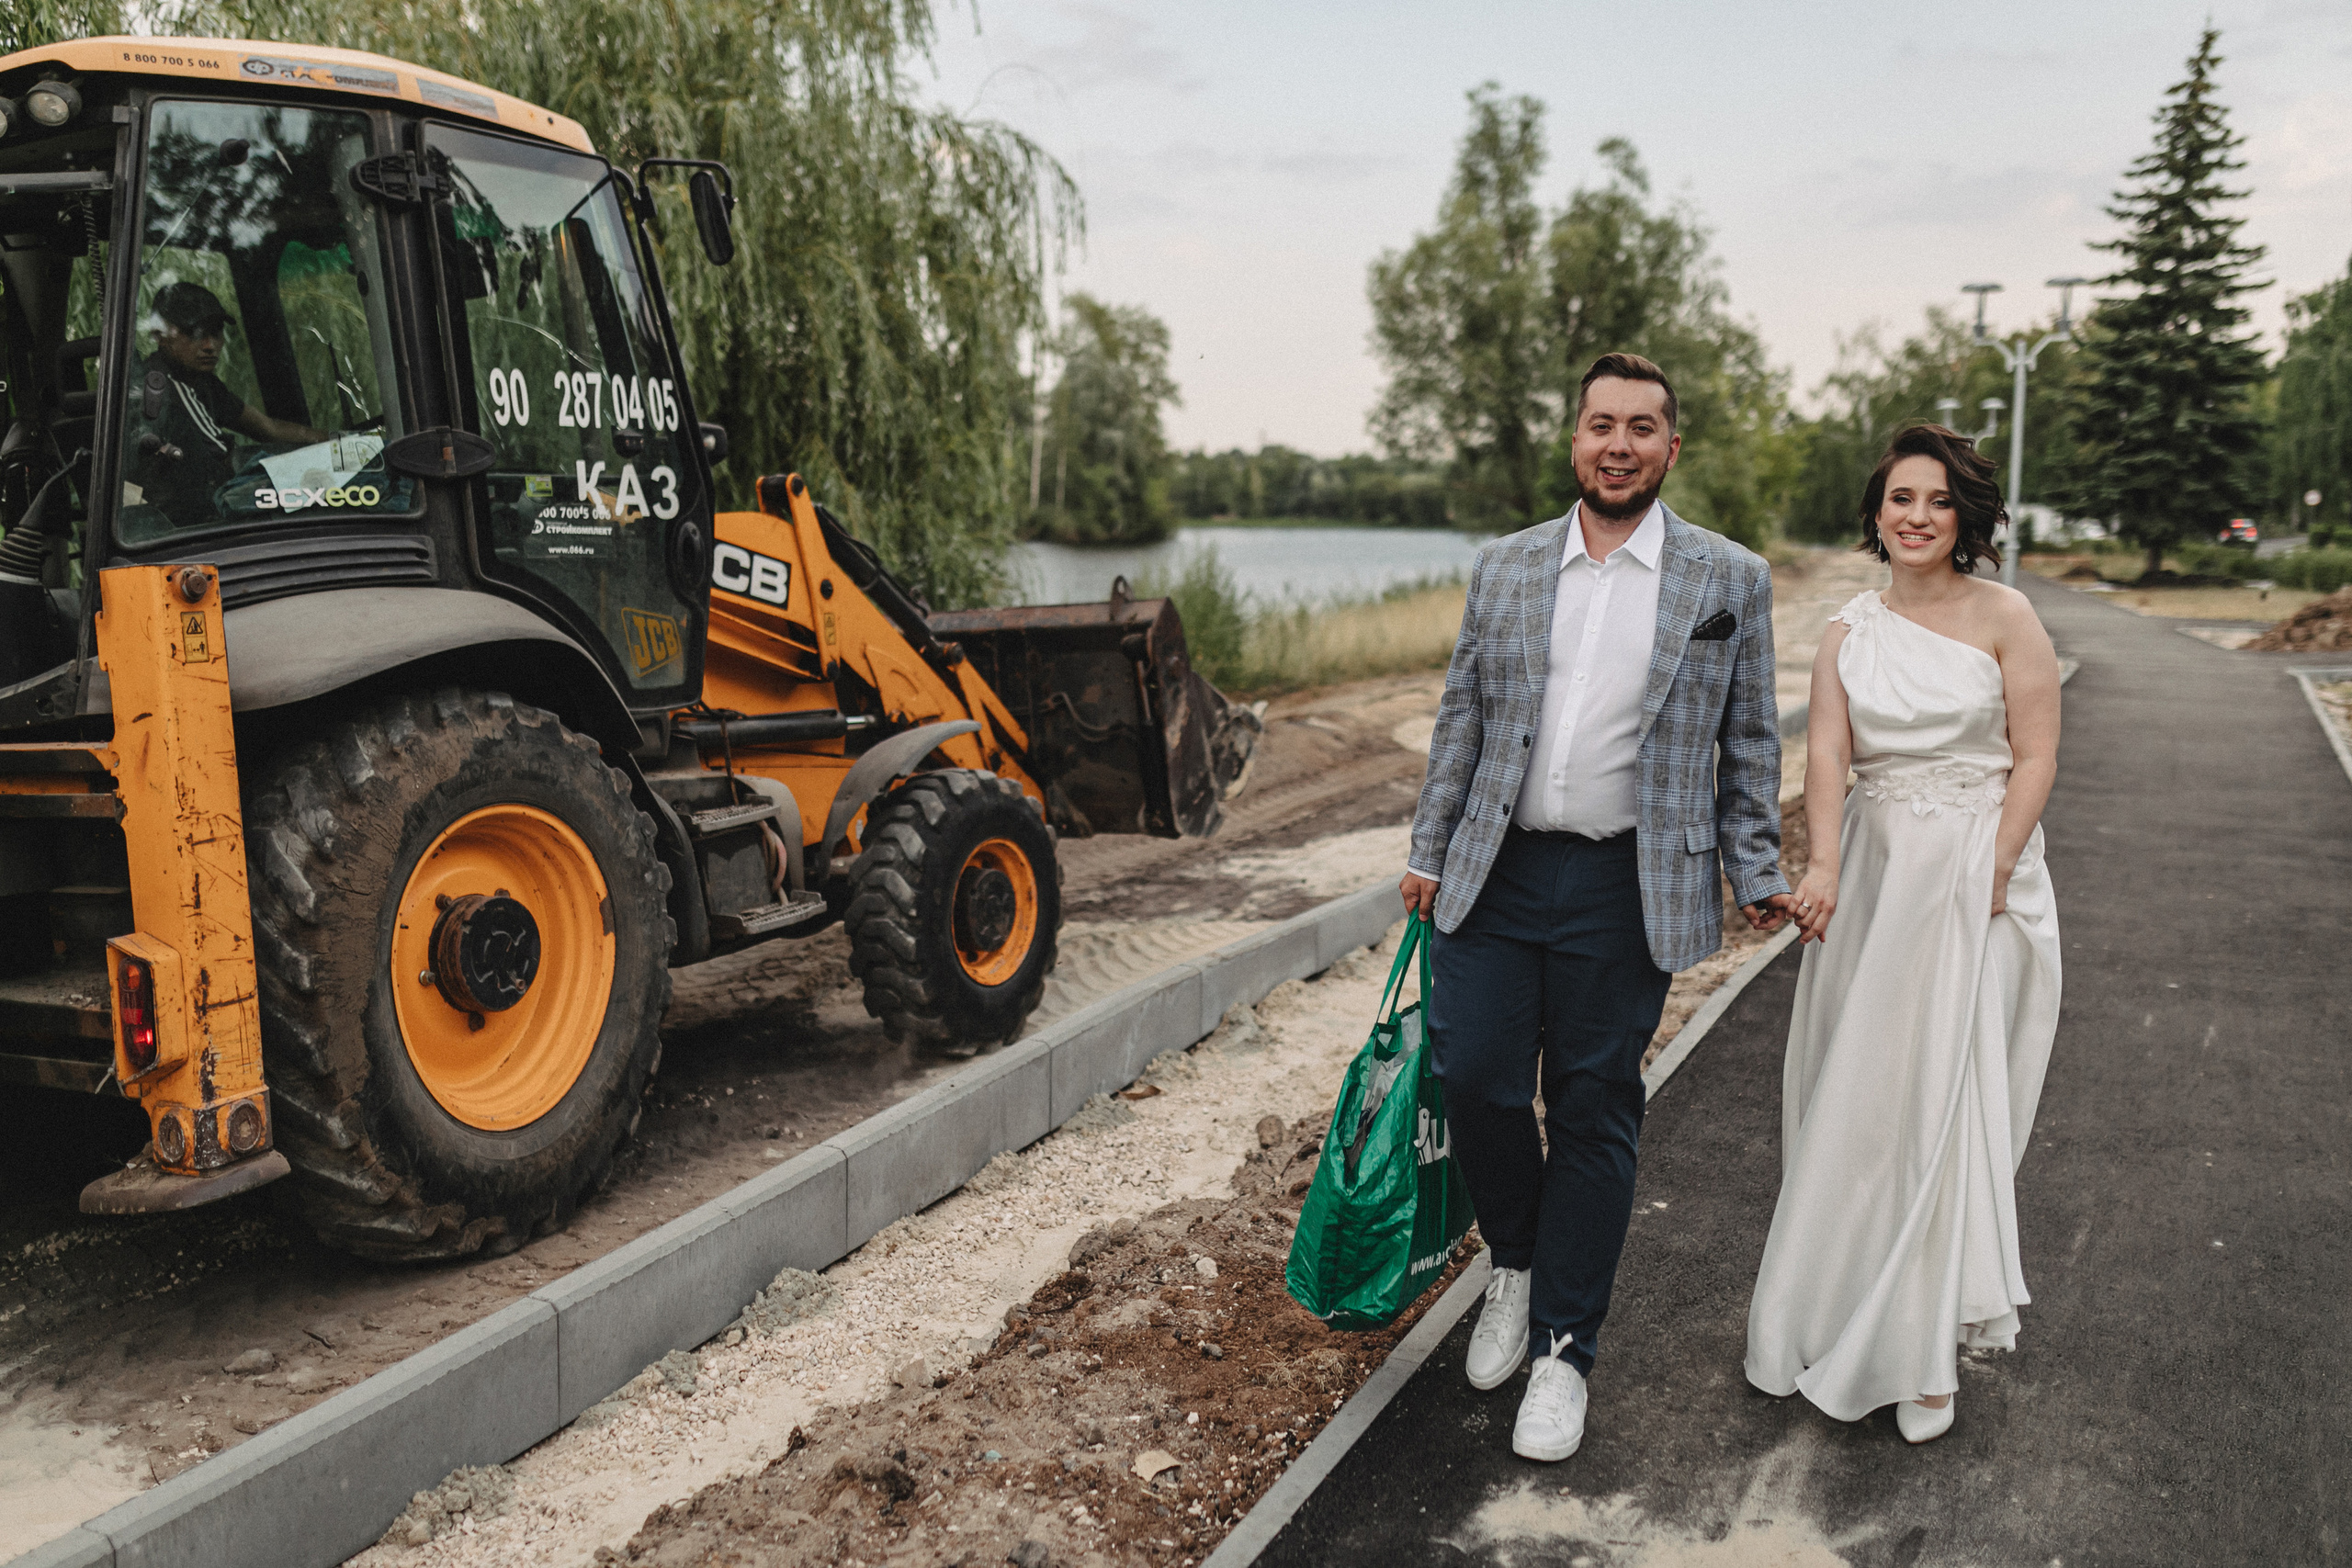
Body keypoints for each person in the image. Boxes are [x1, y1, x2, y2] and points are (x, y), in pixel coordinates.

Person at [1401, 352, 1794, 1462]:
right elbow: (1463, 716)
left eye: (1640, 428)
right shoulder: (1507, 566)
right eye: (1599, 425)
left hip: (1629, 884)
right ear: (1574, 439)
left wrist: (1756, 867)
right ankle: (1517, 1263)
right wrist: (1428, 847)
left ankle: (1564, 1351)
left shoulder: (1729, 578)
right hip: (1496, 869)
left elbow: (1749, 743)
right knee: (1472, 1075)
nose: (1617, 445)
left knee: (1591, 1107)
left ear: (1671, 447)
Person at [1744, 423, 2063, 1445]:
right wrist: (1823, 866)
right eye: (1900, 499)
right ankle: (1826, 1308)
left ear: (1966, 516)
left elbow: (2036, 755)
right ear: (1876, 515)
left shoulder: (2008, 616)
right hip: (1876, 879)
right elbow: (1827, 759)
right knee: (1860, 1097)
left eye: (1938, 500)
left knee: (1944, 1100)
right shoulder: (1849, 631)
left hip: (1976, 872)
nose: (1918, 516)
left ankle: (1923, 1350)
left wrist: (1994, 870)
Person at [128, 280, 327, 527]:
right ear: (161, 336)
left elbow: (268, 429)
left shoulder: (201, 381)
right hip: (185, 530)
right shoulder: (165, 388)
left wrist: (339, 441)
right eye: (195, 334)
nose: (210, 346)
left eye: (216, 333)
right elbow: (229, 461)